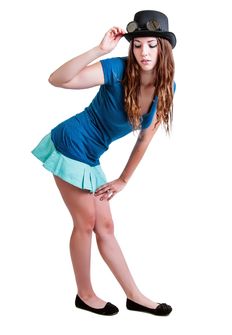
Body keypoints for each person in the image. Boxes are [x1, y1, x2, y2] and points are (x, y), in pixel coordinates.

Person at [31, 10, 176, 316]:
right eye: (137, 45)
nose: (144, 52)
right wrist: (99, 50)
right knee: (85, 224)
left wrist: (123, 180)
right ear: (130, 47)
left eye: (151, 45)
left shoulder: (167, 87)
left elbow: (144, 139)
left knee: (106, 226)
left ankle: (134, 296)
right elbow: (57, 80)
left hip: (92, 154)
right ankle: (85, 294)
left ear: (163, 48)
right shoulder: (116, 69)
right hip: (70, 144)